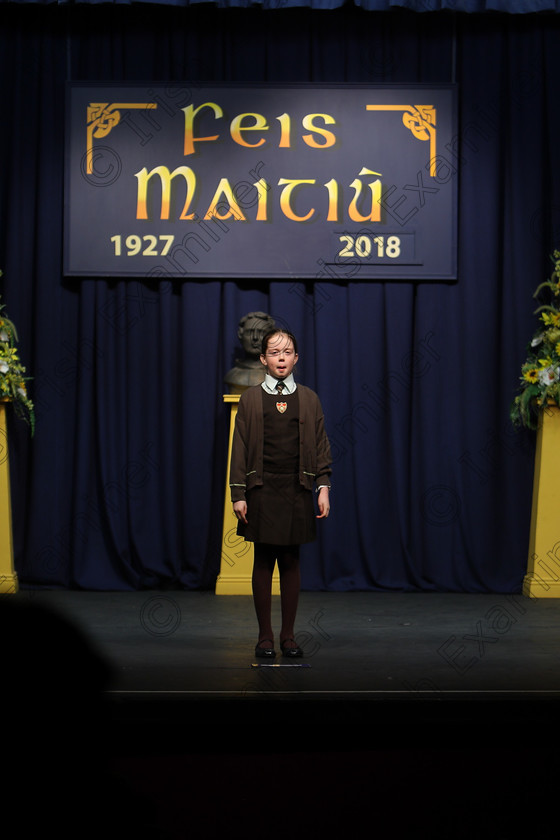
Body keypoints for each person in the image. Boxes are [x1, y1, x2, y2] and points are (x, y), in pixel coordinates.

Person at [229, 327, 332, 658]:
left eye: (287, 352)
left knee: (290, 561)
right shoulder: (250, 398)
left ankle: (288, 636)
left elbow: (320, 445)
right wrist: (239, 494)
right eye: (274, 353)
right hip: (262, 490)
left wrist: (323, 486)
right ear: (263, 360)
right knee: (263, 561)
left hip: (296, 488)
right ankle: (264, 637)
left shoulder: (309, 398)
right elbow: (240, 448)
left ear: (296, 358)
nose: (281, 358)